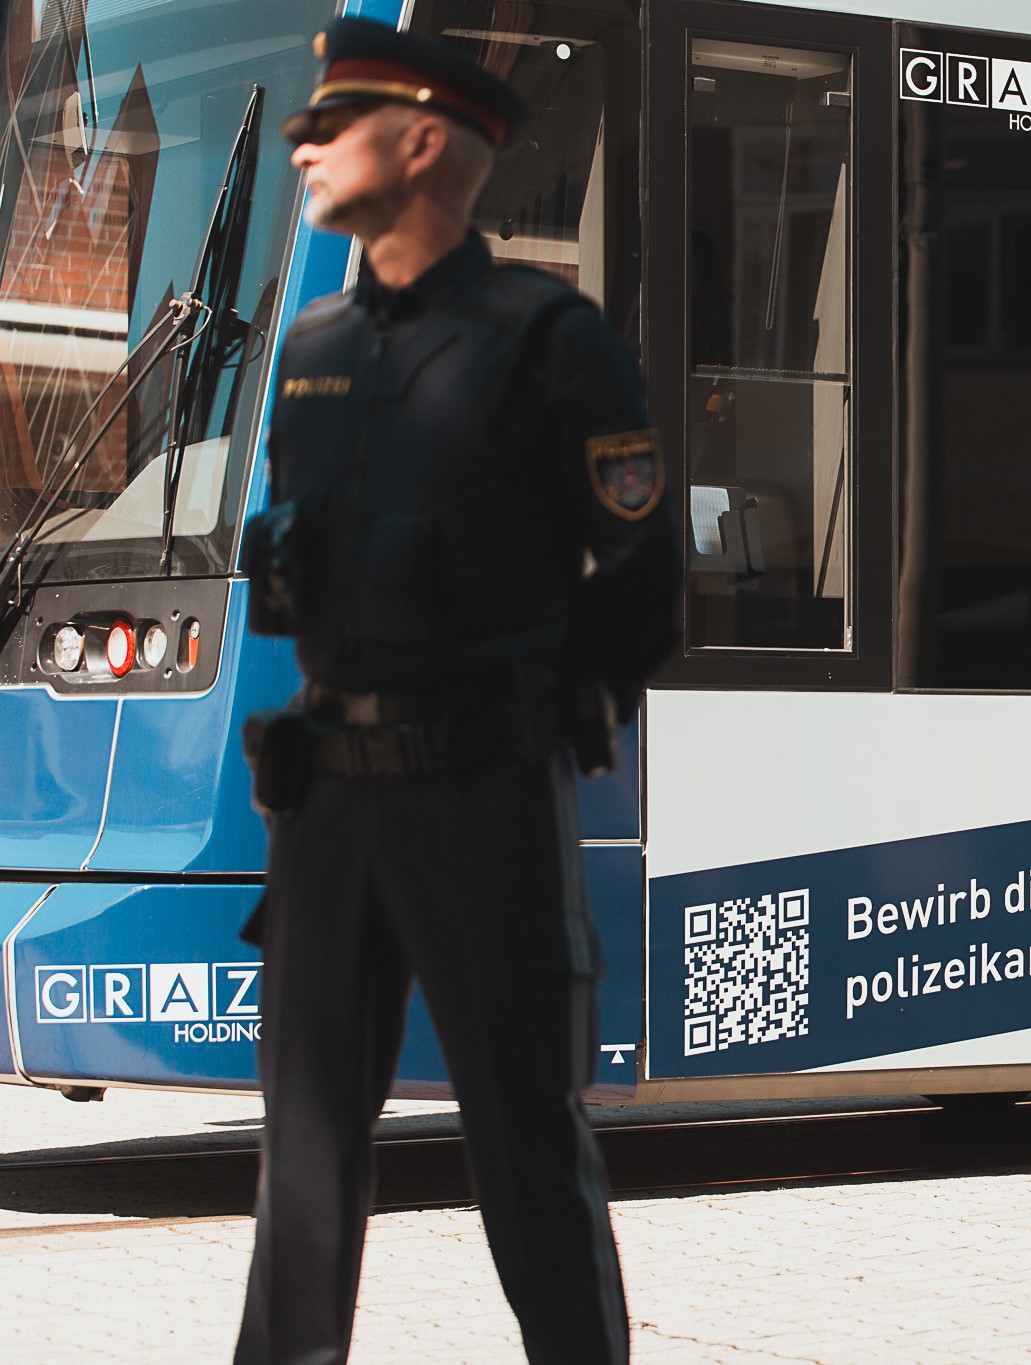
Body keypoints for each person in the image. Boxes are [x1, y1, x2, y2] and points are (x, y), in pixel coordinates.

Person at [234, 19, 682, 1365]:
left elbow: (647, 576)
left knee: (525, 1147)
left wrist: (548, 698)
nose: (304, 146)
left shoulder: (548, 340)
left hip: (483, 797)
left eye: (334, 123)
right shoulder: (311, 342)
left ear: (422, 141)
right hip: (327, 813)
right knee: (302, 1161)